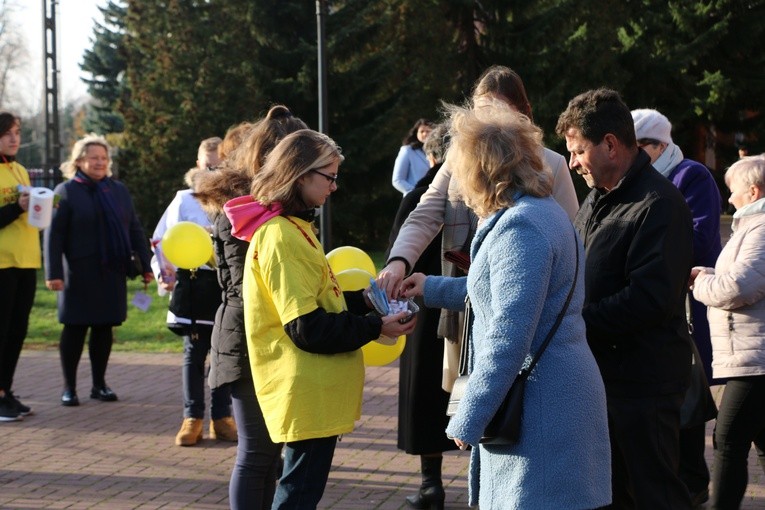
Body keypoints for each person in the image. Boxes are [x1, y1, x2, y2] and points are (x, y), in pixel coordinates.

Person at [400, 103, 611, 509]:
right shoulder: (535, 213)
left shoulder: (522, 225)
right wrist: (430, 287)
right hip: (548, 396)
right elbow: (496, 291)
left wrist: (470, 414)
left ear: (481, 170)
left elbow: (509, 334)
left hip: (542, 407)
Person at [226, 129, 417, 508]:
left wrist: (363, 302)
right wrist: (375, 327)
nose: (334, 186)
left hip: (313, 393)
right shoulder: (281, 236)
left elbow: (318, 303)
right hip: (306, 392)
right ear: (300, 175)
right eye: (329, 176)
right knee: (297, 496)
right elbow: (306, 327)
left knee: (300, 492)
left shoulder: (293, 228)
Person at [378, 65, 579, 393]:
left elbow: (569, 243)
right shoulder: (459, 158)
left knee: (512, 401)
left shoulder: (550, 164)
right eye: (480, 113)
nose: (488, 124)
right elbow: (425, 213)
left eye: (498, 112)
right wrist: (398, 262)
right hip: (469, 306)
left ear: (522, 114)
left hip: (533, 316)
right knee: (471, 397)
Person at [556, 88, 694, 509]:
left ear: (611, 145)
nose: (572, 163)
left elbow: (649, 298)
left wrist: (575, 321)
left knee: (655, 493)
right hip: (601, 378)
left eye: (578, 152)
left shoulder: (659, 204)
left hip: (643, 386)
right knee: (609, 494)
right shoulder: (596, 198)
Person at [194, 105, 307, 509]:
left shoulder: (276, 207)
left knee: (269, 454)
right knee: (258, 453)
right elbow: (251, 289)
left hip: (264, 339)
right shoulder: (243, 210)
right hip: (247, 340)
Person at [632, 107, 722, 506]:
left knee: (687, 389)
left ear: (659, 145)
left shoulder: (691, 175)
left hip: (687, 305)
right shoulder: (640, 180)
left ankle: (694, 481)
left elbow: (702, 238)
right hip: (658, 302)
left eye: (640, 146)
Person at [44, 134, 153, 407]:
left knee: (104, 328)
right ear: (79, 161)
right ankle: (69, 388)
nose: (100, 163)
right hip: (77, 274)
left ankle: (99, 385)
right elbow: (53, 236)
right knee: (74, 329)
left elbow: (134, 229)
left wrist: (146, 264)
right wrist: (53, 273)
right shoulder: (64, 192)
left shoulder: (118, 190)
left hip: (112, 272)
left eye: (104, 158)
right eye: (94, 158)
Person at [385, 123, 458, 510]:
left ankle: (432, 483)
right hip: (466, 305)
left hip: (423, 309)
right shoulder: (475, 193)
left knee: (427, 398)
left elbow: (397, 250)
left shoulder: (420, 195)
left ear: (430, 157)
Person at [690, 154, 765, 510]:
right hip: (752, 354)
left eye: (733, 191)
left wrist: (701, 283)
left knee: (728, 439)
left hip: (756, 357)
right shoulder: (750, 227)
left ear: (753, 191)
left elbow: (738, 287)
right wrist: (707, 274)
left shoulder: (762, 227)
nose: (728, 199)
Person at [151, 136, 236, 447]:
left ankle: (222, 417)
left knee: (225, 352)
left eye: (220, 164)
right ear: (198, 165)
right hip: (193, 283)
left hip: (227, 283)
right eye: (208, 164)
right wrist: (165, 272)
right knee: (194, 352)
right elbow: (162, 240)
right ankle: (192, 417)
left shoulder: (236, 199)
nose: (214, 169)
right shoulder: (184, 200)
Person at [0, 111, 39, 422]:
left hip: (26, 260)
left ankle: (6, 389)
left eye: (17, 132)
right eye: (7, 133)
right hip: (2, 263)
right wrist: (17, 207)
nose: (14, 138)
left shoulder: (21, 171)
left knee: (17, 331)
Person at [391, 119, 434, 195]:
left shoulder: (439, 150)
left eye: (428, 131)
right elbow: (397, 180)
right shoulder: (407, 150)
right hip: (416, 200)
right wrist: (416, 192)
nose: (425, 134)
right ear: (416, 133)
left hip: (438, 198)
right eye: (422, 131)